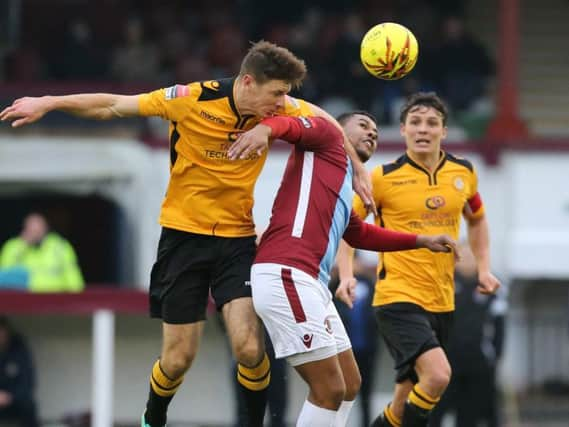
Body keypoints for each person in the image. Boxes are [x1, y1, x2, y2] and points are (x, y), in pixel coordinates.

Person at [0, 40, 376, 427]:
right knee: (178, 359)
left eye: (286, 95)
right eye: (277, 93)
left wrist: (360, 171)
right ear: (248, 82)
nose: (282, 104)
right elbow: (114, 104)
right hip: (183, 239)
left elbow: (325, 119)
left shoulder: (277, 110)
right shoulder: (191, 98)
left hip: (238, 240)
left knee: (249, 347)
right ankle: (154, 416)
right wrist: (48, 102)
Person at [227, 111, 458, 426]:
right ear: (340, 127)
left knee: (350, 383)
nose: (372, 133)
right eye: (363, 125)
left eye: (376, 131)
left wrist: (421, 240)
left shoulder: (343, 183)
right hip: (286, 273)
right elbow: (290, 122)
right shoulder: (326, 136)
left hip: (311, 284)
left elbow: (361, 233)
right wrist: (264, 130)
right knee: (329, 388)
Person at [335, 92, 501, 427]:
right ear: (403, 130)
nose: (423, 129)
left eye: (431, 123)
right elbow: (346, 225)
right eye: (415, 122)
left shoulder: (464, 173)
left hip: (442, 302)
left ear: (443, 130)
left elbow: (478, 218)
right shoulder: (382, 178)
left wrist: (483, 268)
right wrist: (347, 273)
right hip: (397, 298)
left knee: (400, 406)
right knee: (438, 376)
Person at [429, 244, 507, 427]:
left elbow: (499, 327)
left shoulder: (491, 286)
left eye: (472, 255)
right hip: (446, 363)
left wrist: (495, 357)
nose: (468, 260)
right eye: (464, 255)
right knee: (436, 413)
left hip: (477, 363)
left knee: (469, 416)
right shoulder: (443, 283)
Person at [331, 250, 379, 427]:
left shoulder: (370, 284)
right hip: (343, 349)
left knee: (366, 391)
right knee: (341, 392)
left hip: (367, 347)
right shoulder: (335, 285)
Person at [0, 212, 84, 292]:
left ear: (46, 228)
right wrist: (22, 246)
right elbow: (4, 275)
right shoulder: (13, 246)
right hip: (24, 298)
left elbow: (72, 275)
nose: (35, 233)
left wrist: (78, 296)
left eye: (38, 229)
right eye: (32, 230)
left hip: (56, 298)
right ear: (25, 229)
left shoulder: (60, 246)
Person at [0, 316, 40, 427]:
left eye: (2, 332)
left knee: (28, 405)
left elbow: (28, 382)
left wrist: (9, 397)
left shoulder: (19, 349)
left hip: (14, 401)